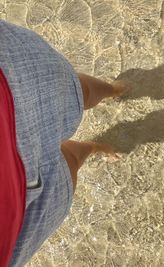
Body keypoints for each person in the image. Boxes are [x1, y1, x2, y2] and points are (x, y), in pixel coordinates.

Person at [0, 19, 128, 266]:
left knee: (78, 94)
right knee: (69, 159)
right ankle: (93, 146)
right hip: (11, 221)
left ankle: (112, 91)